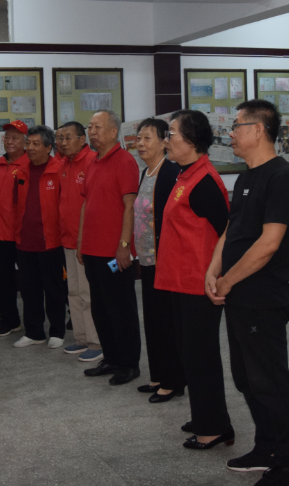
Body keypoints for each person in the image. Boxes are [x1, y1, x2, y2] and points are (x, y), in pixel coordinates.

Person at [205, 100, 289, 486]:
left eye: (236, 125)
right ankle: (266, 448)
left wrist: (227, 280)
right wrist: (213, 270)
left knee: (270, 380)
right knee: (247, 378)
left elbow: (269, 243)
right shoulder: (247, 177)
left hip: (262, 298)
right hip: (238, 295)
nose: (230, 133)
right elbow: (232, 231)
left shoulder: (282, 178)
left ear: (258, 129)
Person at [154, 110, 232, 448]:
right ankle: (205, 416)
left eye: (171, 134)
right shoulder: (185, 174)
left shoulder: (205, 180)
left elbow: (227, 232)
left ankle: (213, 427)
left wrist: (218, 275)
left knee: (201, 355)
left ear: (191, 140)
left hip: (199, 284)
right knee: (190, 354)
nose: (166, 140)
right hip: (179, 280)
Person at [78, 109, 141, 385]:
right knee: (101, 309)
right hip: (92, 250)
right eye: (90, 127)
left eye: (97, 127)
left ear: (114, 131)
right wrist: (81, 242)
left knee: (121, 308)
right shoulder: (93, 161)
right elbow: (86, 204)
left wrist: (124, 246)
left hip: (114, 253)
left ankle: (129, 363)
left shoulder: (125, 161)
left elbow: (130, 206)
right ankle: (112, 358)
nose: (92, 132)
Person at [132, 118, 185, 403]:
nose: (140, 144)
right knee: (153, 320)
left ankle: (173, 381)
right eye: (138, 138)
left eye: (147, 138)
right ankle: (158, 375)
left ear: (164, 141)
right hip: (147, 259)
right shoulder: (146, 172)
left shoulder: (170, 173)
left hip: (164, 260)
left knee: (166, 322)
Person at [11, 126, 69, 349]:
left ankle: (57, 331)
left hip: (52, 242)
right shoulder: (20, 171)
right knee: (29, 291)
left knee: (54, 290)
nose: (30, 148)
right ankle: (34, 332)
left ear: (48, 147)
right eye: (28, 143)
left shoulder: (59, 169)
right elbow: (16, 205)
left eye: (36, 144)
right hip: (25, 242)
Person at [56, 122, 102, 362]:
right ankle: (81, 338)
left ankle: (96, 341)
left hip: (86, 241)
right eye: (59, 138)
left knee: (87, 293)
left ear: (82, 139)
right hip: (67, 239)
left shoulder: (93, 161)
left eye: (67, 137)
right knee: (73, 292)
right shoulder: (64, 164)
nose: (62, 142)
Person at [0, 121, 30, 336]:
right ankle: (10, 320)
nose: (9, 141)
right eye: (7, 137)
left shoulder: (30, 164)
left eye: (15, 137)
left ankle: (34, 324)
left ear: (25, 141)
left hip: (22, 234)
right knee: (2, 281)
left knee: (29, 282)